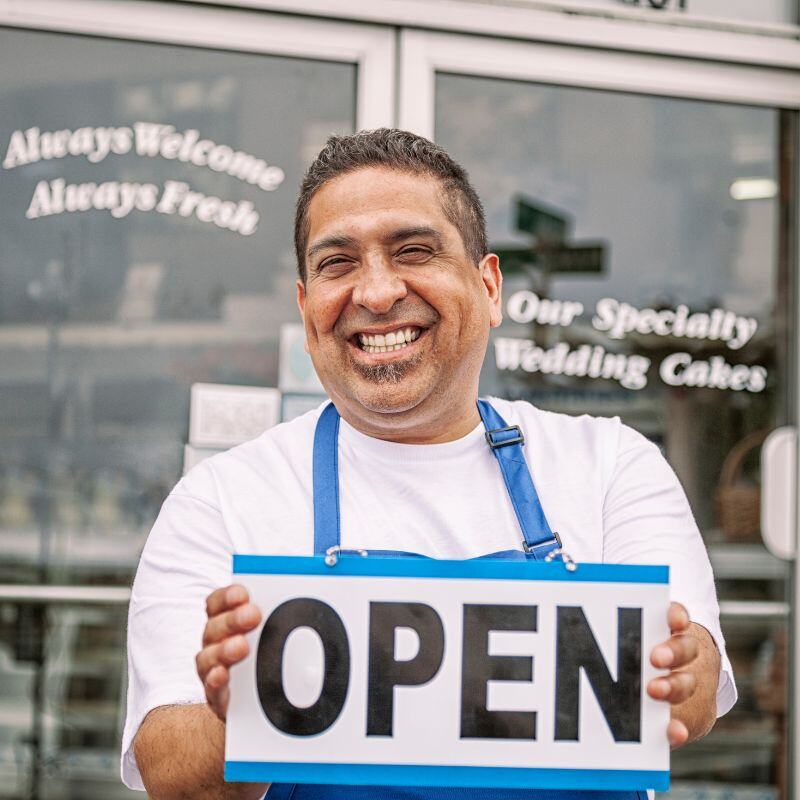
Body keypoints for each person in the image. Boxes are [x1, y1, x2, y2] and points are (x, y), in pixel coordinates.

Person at [121, 129, 735, 799]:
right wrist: (244, 706)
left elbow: (689, 699)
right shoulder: (222, 499)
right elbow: (175, 780)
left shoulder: (610, 465)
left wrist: (681, 671)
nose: (377, 293)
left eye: (414, 250)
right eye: (338, 263)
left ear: (489, 286)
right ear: (306, 310)